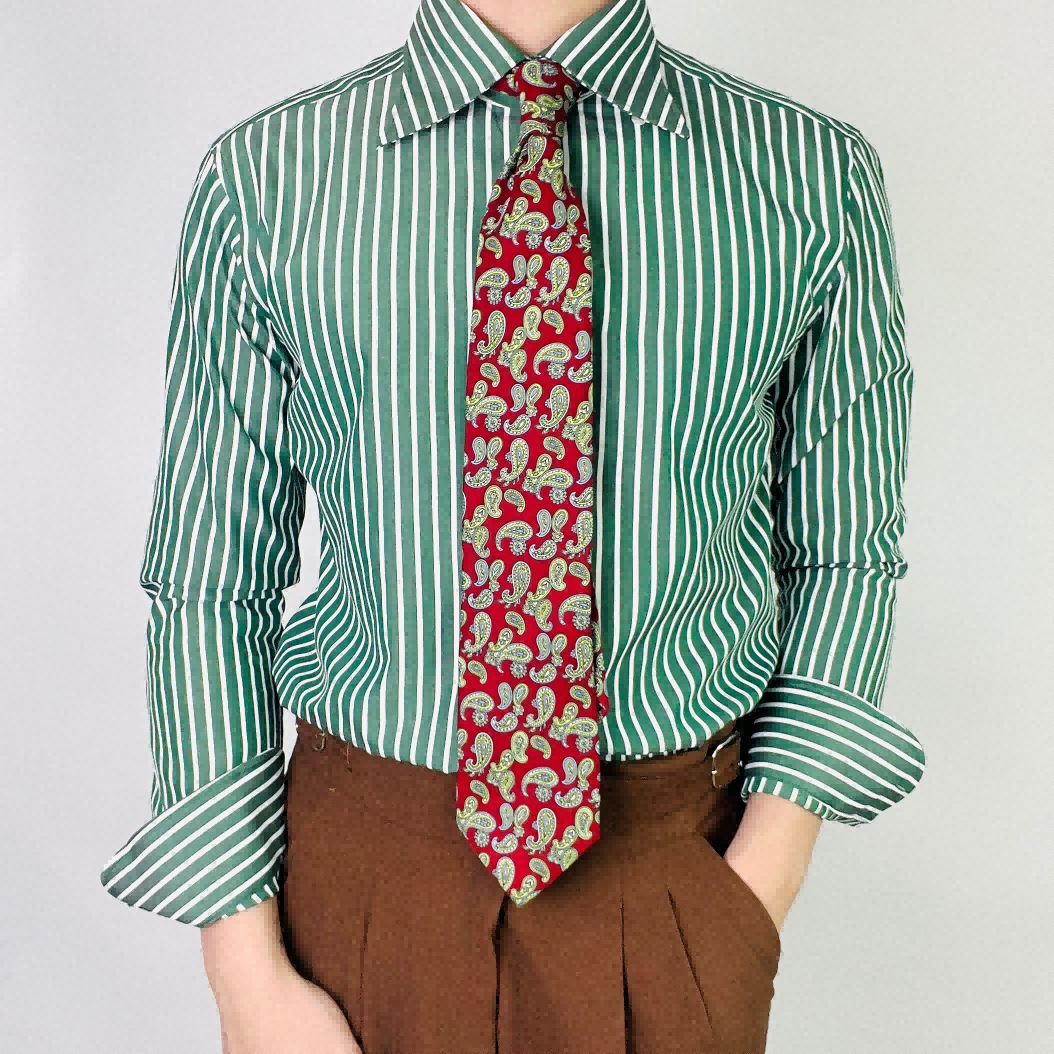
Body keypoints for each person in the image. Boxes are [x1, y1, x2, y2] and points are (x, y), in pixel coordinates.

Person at [99, 0, 928, 1050]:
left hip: (673, 874)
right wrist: (243, 970)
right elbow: (209, 580)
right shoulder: (272, 178)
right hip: (358, 887)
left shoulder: (809, 177)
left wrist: (763, 875)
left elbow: (846, 546)